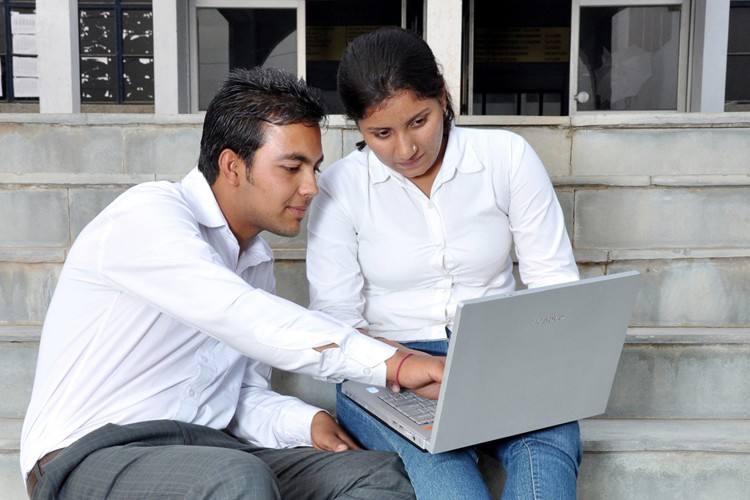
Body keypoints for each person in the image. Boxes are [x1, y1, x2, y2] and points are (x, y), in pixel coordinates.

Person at [20, 66, 445, 500]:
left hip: (205, 450)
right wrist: (395, 363)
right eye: (292, 167)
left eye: (314, 168)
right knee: (236, 477)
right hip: (88, 456)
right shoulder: (147, 216)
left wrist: (304, 422)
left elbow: (235, 397)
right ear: (232, 166)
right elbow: (241, 316)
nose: (312, 187)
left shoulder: (255, 263)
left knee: (373, 474)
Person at [306, 27, 582, 500]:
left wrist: (524, 368)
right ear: (357, 127)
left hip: (499, 353)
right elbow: (336, 325)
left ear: (444, 96)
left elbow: (553, 285)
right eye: (381, 134)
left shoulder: (506, 158)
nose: (406, 149)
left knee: (548, 449)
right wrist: (404, 365)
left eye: (419, 121)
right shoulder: (338, 187)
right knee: (449, 482)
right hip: (386, 367)